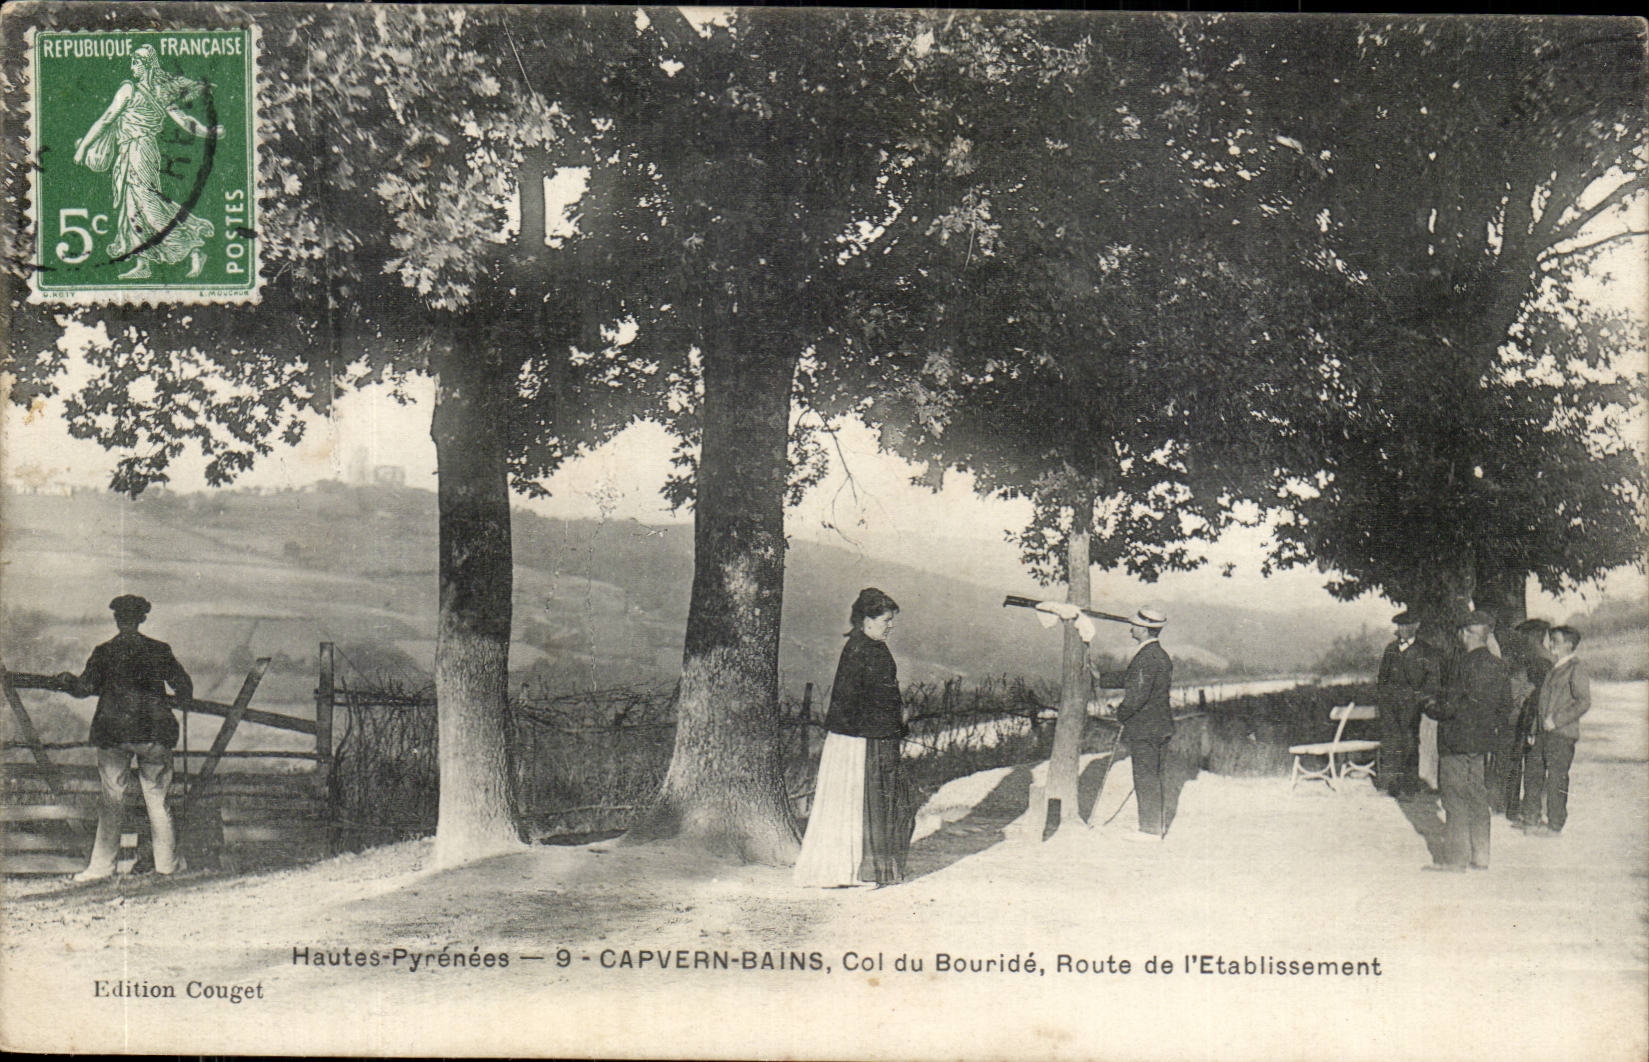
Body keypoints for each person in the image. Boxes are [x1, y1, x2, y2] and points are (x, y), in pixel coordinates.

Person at [56, 595, 193, 881]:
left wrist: (67, 681)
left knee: (111, 800)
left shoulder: (104, 651)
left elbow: (84, 688)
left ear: (117, 620)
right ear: (142, 619)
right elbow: (184, 687)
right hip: (154, 733)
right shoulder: (159, 650)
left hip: (114, 733)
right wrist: (177, 698)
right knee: (157, 799)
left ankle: (102, 869)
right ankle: (168, 866)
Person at [794, 588, 912, 887]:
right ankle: (851, 869)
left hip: (868, 737)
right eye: (886, 619)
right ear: (866, 620)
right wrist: (887, 725)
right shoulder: (861, 650)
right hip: (858, 742)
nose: (890, 625)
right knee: (859, 801)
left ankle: (865, 868)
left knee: (870, 802)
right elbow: (853, 701)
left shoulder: (871, 648)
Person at [73, 43, 221, 280]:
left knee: (148, 205)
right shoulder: (156, 93)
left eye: (136, 63)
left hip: (140, 151)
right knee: (132, 207)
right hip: (133, 151)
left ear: (147, 66)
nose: (132, 68)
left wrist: (82, 148)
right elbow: (186, 123)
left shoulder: (132, 90)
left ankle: (193, 248)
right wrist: (208, 132)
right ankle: (144, 263)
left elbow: (106, 120)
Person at [1422, 611, 1511, 872]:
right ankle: (1481, 855)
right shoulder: (1499, 666)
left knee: (1455, 797)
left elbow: (1448, 707)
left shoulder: (1459, 665)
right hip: (1483, 743)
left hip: (1456, 741)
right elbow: (1506, 706)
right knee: (1477, 797)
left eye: (1461, 632)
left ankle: (1456, 859)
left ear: (1466, 634)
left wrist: (1429, 705)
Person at [1092, 608, 1174, 842]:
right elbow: (1134, 678)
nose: (1131, 629)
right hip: (1160, 725)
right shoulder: (1158, 654)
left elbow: (1137, 694)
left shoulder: (1146, 657)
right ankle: (1155, 826)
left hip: (1146, 728)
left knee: (1145, 776)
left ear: (1144, 630)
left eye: (1135, 626)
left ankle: (1149, 831)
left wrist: (1121, 714)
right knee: (1154, 776)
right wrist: (1101, 678)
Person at [1518, 625, 1590, 837]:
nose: (1550, 645)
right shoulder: (1554, 667)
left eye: (1555, 641)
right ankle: (1531, 819)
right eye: (1551, 641)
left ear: (1569, 644)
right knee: (1533, 773)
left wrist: (1557, 721)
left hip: (1561, 734)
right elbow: (1541, 703)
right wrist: (1533, 729)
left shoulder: (1576, 669)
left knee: (1557, 779)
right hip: (1542, 733)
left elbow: (1584, 702)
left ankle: (1554, 824)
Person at [1374, 611, 1440, 797]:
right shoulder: (1391, 649)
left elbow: (1432, 679)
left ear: (1416, 626)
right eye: (1400, 625)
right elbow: (1382, 679)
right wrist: (1384, 699)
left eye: (1407, 625)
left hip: (1412, 706)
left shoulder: (1426, 650)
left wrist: (1419, 699)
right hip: (1390, 706)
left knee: (1410, 742)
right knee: (1391, 742)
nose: (1402, 629)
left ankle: (1410, 785)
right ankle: (1392, 784)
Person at [1498, 618, 1553, 816]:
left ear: (1534, 636)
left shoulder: (1534, 660)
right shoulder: (1547, 658)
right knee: (1532, 764)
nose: (1522, 639)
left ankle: (1517, 807)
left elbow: (1528, 692)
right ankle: (1528, 806)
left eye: (1526, 635)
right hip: (1531, 718)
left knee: (1521, 763)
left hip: (1526, 718)